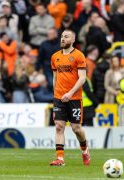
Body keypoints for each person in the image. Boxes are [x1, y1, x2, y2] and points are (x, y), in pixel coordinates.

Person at [50, 30, 90, 166]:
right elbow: (55, 78)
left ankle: (85, 150)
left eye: (66, 37)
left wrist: (70, 93)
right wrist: (55, 94)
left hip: (74, 98)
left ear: (73, 39)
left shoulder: (79, 56)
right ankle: (60, 159)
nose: (63, 39)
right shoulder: (55, 57)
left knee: (76, 128)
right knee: (59, 126)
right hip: (59, 97)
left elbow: (82, 78)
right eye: (61, 36)